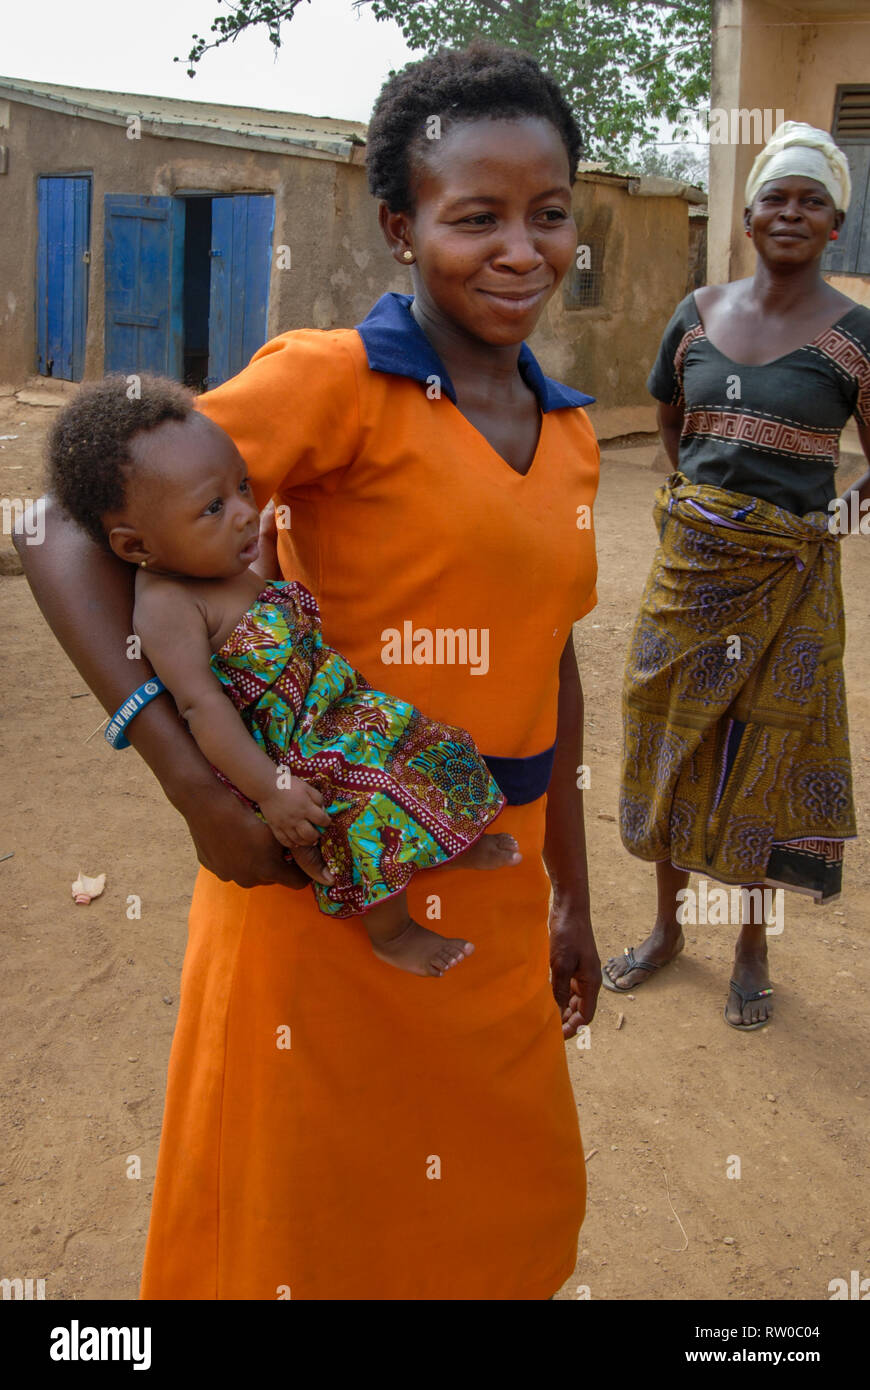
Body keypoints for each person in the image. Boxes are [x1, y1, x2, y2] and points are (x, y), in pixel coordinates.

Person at [16, 40, 601, 1298]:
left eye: (549, 215)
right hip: (323, 885)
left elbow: (550, 666)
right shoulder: (334, 381)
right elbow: (64, 523)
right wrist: (191, 781)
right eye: (476, 216)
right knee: (306, 1227)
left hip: (488, 891)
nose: (520, 249)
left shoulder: (568, 432)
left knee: (497, 1219)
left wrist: (572, 894)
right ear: (401, 225)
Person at [47, 374, 520, 978]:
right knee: (362, 806)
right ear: (135, 545)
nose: (246, 512)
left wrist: (268, 555)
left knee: (427, 744)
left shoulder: (217, 560)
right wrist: (272, 792)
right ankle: (393, 933)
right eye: (215, 507)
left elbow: (263, 612)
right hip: (294, 750)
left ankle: (443, 844)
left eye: (243, 487)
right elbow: (202, 709)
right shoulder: (166, 606)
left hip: (337, 707)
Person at [604, 121, 870, 1031]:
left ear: (836, 224)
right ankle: (669, 930)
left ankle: (750, 946)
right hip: (691, 572)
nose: (791, 213)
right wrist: (692, 497)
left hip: (791, 584)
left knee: (760, 759)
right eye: (776, 198)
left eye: (812, 201)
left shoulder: (856, 336)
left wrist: (828, 525)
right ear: (748, 217)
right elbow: (671, 419)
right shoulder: (698, 311)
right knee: (665, 738)